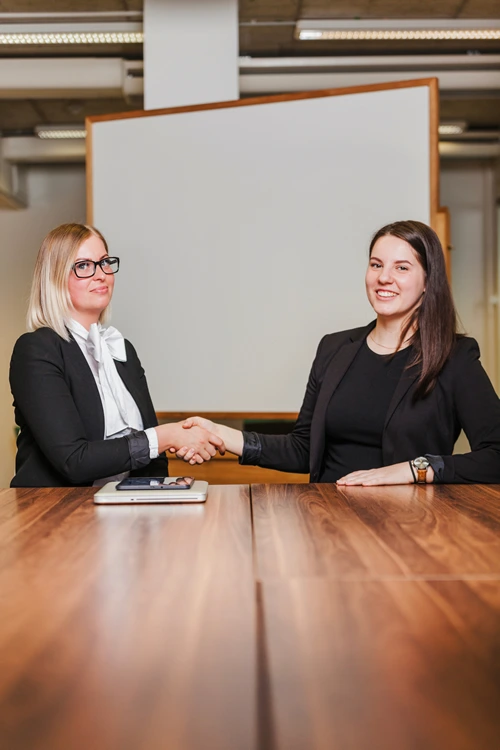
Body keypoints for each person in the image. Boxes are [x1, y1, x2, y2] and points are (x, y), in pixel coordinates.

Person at [179, 220, 500, 485]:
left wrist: (413, 469)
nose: (383, 277)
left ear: (429, 282)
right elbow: (304, 449)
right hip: (327, 522)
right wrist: (223, 435)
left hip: (408, 529)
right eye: (376, 264)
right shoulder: (333, 348)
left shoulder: (454, 357)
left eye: (401, 267)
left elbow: (495, 454)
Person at [10, 223, 224, 487]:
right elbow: (74, 461)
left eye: (105, 262)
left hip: (119, 514)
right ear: (54, 277)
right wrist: (167, 436)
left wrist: (159, 490)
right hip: (53, 516)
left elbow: (153, 460)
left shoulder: (122, 350)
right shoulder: (36, 349)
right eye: (84, 266)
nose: (101, 274)